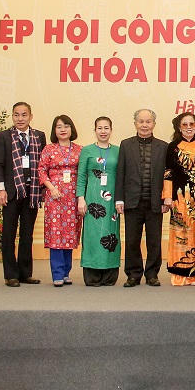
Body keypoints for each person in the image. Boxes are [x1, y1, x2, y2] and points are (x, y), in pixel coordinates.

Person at [0, 101, 45, 287]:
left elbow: (43, 165)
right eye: (16, 115)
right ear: (12, 116)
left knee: (27, 234)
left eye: (24, 115)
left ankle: (25, 273)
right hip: (11, 192)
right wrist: (0, 189)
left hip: (32, 192)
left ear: (31, 116)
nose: (20, 118)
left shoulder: (39, 136)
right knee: (8, 234)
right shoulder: (4, 136)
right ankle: (10, 274)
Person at [115, 109, 170, 287]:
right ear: (135, 124)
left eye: (148, 121)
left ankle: (152, 274)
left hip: (155, 202)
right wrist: (119, 199)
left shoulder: (163, 146)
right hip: (132, 201)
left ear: (154, 124)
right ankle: (133, 274)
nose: (144, 125)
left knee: (154, 241)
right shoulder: (125, 145)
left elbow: (167, 176)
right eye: (141, 121)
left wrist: (166, 199)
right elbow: (120, 173)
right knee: (132, 241)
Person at [163, 112, 195, 286]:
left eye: (192, 124)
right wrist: (167, 197)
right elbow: (168, 172)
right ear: (179, 128)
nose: (189, 127)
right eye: (185, 124)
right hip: (178, 199)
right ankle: (179, 274)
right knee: (180, 234)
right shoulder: (173, 147)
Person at [76, 116, 121, 287]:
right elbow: (81, 176)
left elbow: (122, 176)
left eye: (106, 128)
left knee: (111, 234)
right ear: (95, 130)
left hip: (112, 201)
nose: (103, 131)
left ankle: (109, 276)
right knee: (93, 235)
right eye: (100, 128)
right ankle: (92, 275)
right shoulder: (87, 150)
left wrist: (121, 200)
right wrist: (81, 198)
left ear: (111, 130)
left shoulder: (118, 151)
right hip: (92, 200)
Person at [38, 115, 82, 286]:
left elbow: (83, 173)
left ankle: (66, 272)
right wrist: (52, 188)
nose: (63, 129)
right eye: (59, 127)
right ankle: (57, 273)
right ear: (54, 130)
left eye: (66, 126)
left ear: (72, 129)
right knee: (56, 233)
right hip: (55, 196)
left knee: (70, 233)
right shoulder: (48, 149)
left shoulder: (80, 149)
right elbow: (42, 171)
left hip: (73, 197)